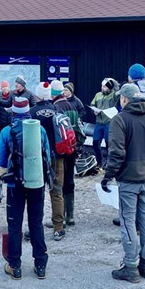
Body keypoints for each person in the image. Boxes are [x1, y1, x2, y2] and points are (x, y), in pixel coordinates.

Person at [101, 83, 145, 283]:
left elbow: (116, 152)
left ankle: (130, 265)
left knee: (128, 220)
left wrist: (108, 175)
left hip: (129, 178)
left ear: (123, 99)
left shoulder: (119, 120)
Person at [0, 95, 53, 282]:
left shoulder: (7, 131)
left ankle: (15, 266)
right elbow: (47, 157)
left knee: (14, 224)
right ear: (29, 111)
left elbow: (0, 160)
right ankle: (41, 265)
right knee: (36, 222)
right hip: (37, 182)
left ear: (12, 112)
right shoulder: (40, 130)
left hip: (15, 183)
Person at [31, 82, 65, 241]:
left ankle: (34, 228)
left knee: (36, 192)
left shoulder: (32, 112)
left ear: (38, 95)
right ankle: (59, 227)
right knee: (57, 191)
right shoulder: (56, 110)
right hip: (57, 156)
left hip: (38, 157)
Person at [57, 82, 84, 226]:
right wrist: (78, 145)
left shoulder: (56, 109)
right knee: (69, 180)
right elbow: (81, 130)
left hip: (60, 152)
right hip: (72, 150)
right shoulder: (73, 109)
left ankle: (60, 216)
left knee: (59, 181)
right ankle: (70, 216)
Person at [90, 78, 118, 168]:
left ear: (110, 87)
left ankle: (108, 162)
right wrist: (94, 110)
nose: (102, 88)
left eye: (105, 86)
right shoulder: (98, 95)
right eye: (102, 86)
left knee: (108, 143)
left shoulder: (114, 95)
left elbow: (119, 92)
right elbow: (92, 104)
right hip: (99, 122)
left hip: (109, 122)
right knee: (95, 142)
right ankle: (99, 161)